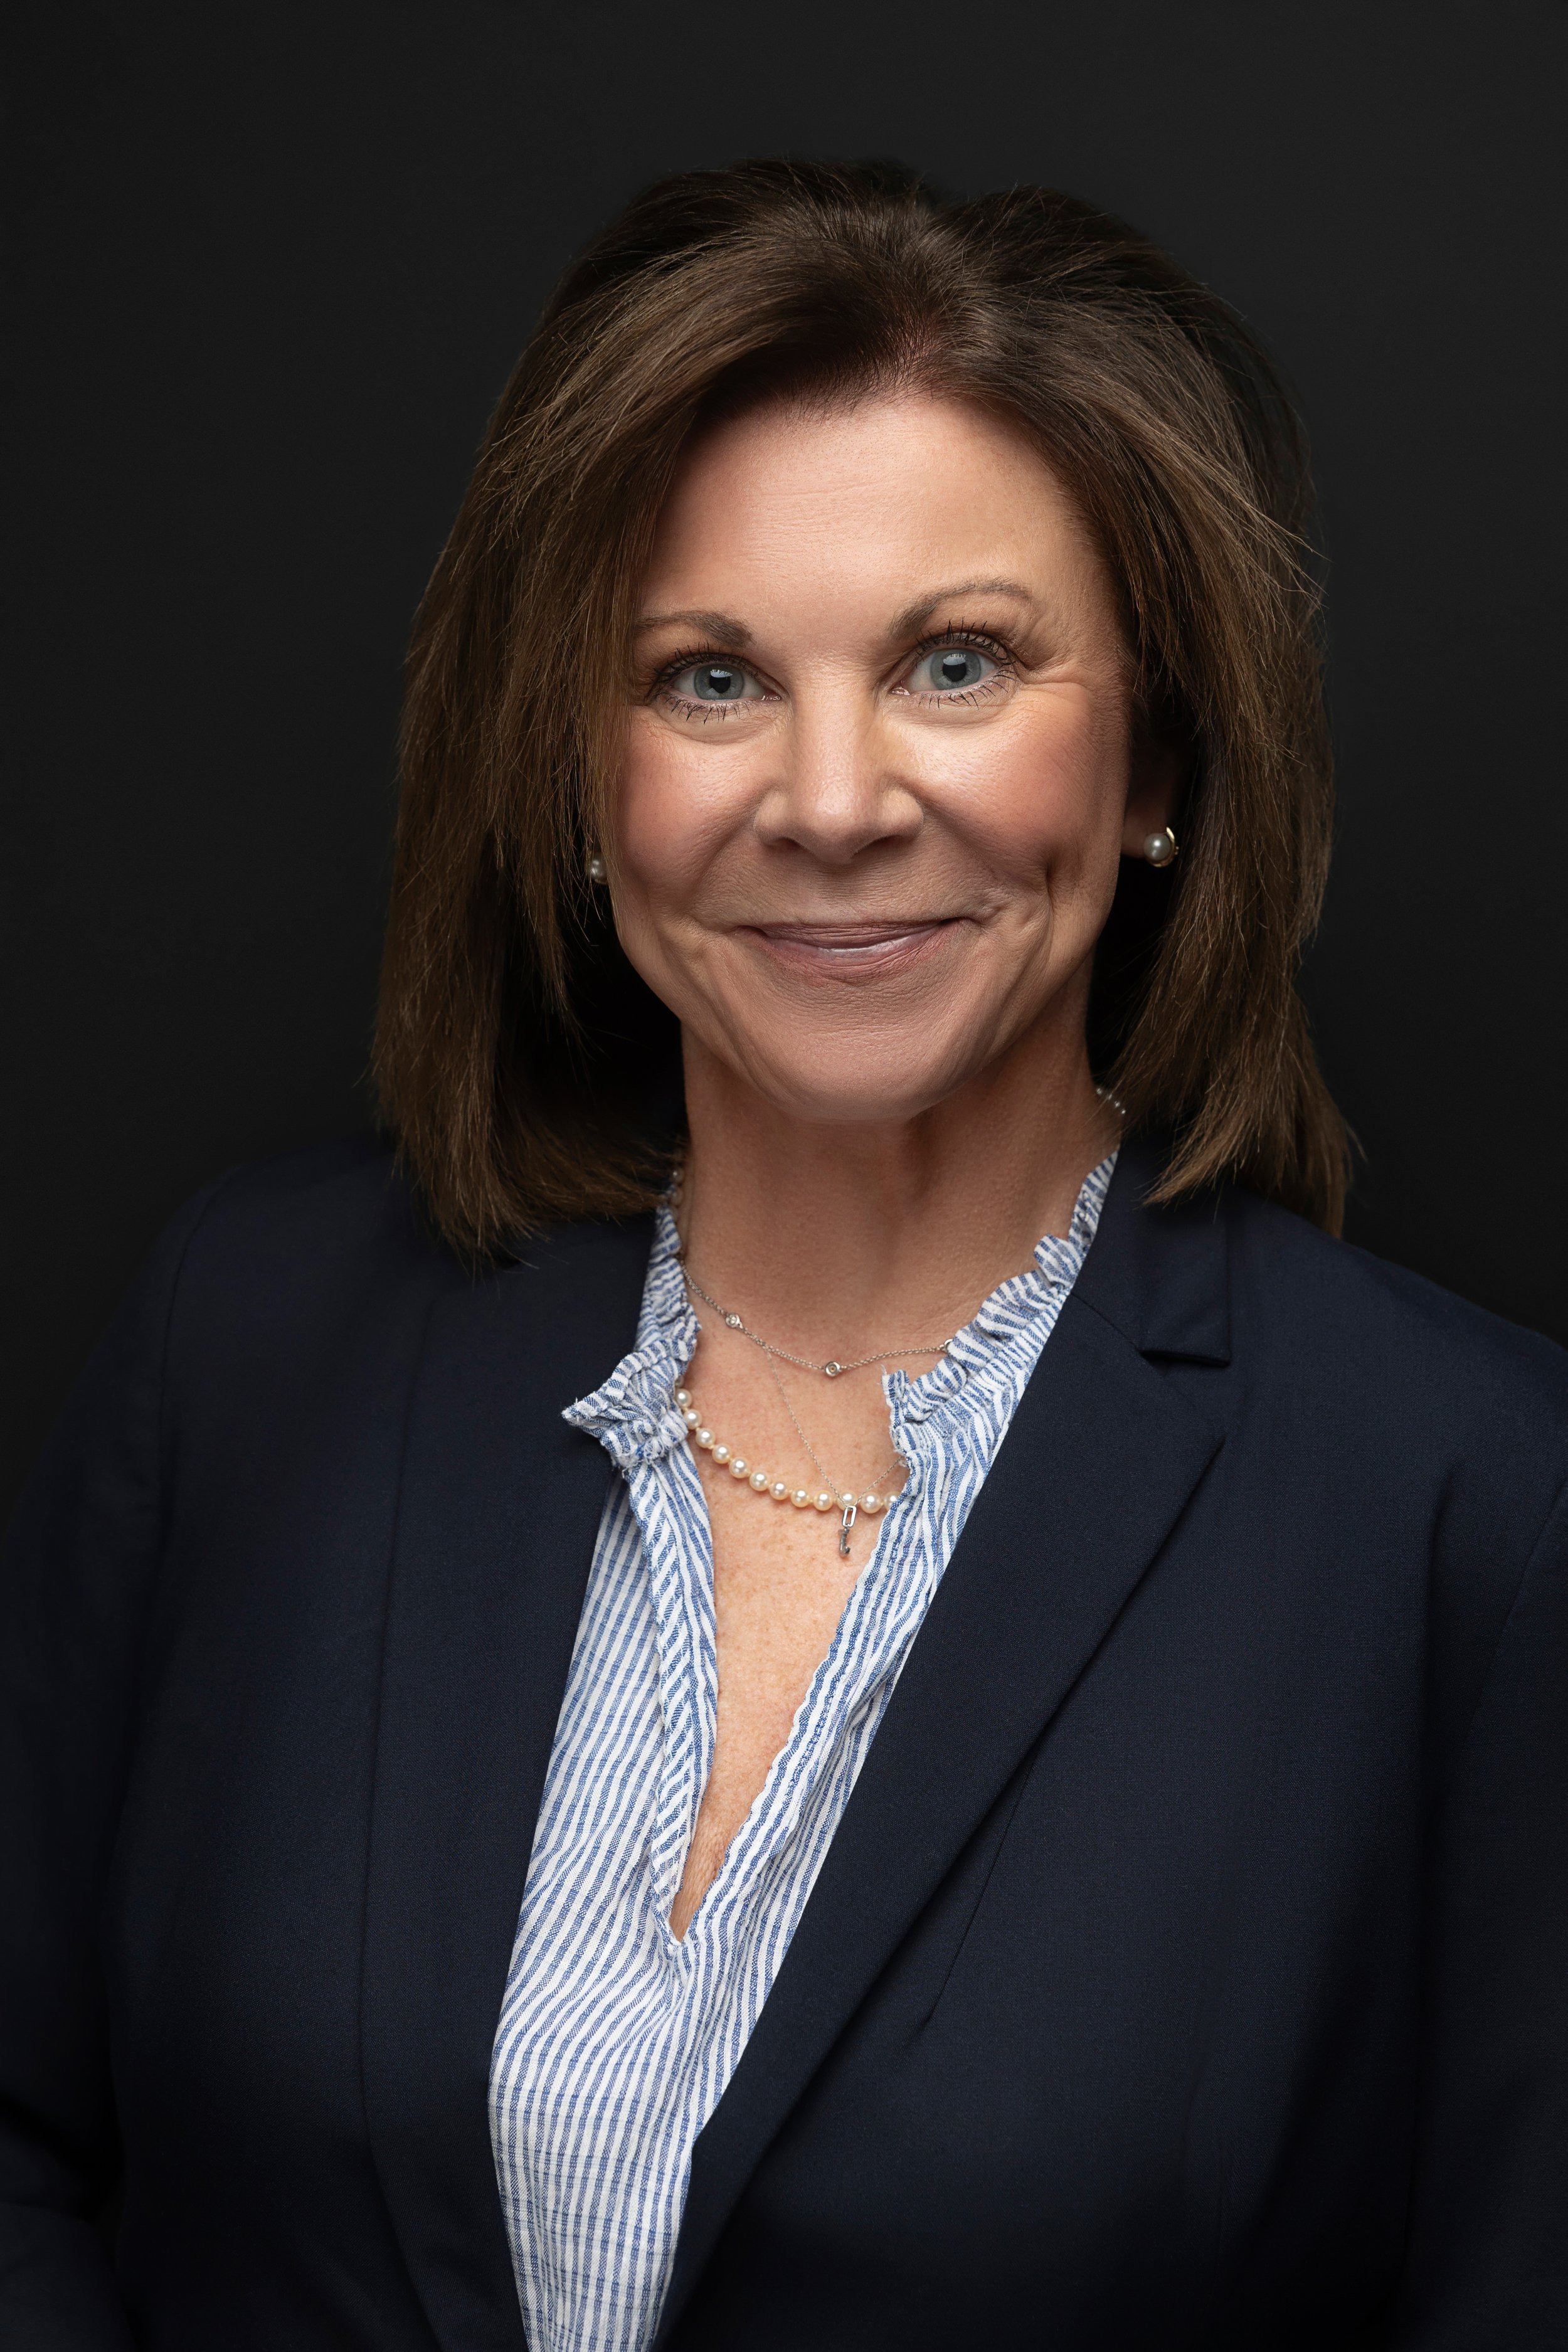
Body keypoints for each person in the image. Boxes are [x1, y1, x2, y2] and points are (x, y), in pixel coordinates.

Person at [2, 156, 1564, 2352]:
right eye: (708, 680)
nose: (831, 800)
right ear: (574, 773)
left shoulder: (1473, 1512)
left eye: (958, 662)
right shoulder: (249, 1343)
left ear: (1157, 758)